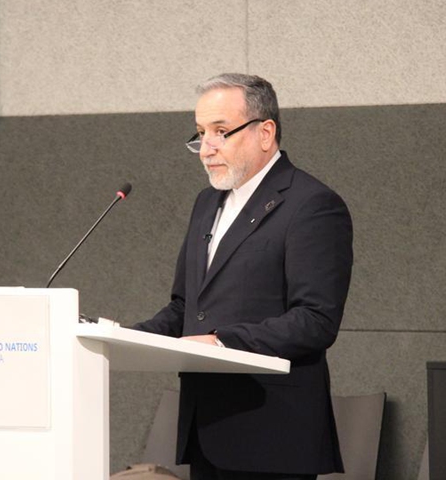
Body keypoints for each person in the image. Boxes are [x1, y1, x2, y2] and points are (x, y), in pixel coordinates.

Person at [131, 73, 353, 480]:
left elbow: (316, 320)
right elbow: (185, 306)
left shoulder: (312, 205)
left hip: (272, 434)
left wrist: (222, 341)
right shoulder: (206, 202)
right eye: (200, 133)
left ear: (265, 132)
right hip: (206, 429)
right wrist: (127, 336)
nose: (206, 148)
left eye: (221, 131)